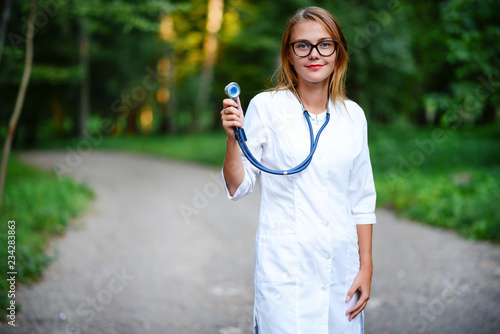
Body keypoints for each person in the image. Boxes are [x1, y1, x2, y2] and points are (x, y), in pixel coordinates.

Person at [220, 6, 376, 334]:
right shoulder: (266, 106)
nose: (314, 54)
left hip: (341, 266)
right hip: (285, 268)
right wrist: (234, 140)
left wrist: (366, 266)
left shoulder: (353, 115)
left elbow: (361, 198)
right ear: (289, 55)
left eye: (325, 44)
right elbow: (238, 187)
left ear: (338, 52)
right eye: (302, 45)